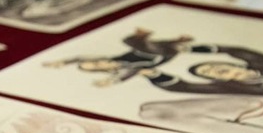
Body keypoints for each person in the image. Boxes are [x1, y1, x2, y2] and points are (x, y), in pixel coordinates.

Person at [43, 28, 214, 86]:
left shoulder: (112, 58)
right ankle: (175, 41)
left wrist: (63, 61)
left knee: (137, 44)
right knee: (137, 44)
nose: (98, 62)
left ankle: (176, 41)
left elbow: (81, 57)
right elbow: (127, 74)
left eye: (94, 62)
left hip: (151, 49)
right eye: (96, 66)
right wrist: (112, 81)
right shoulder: (124, 68)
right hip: (161, 55)